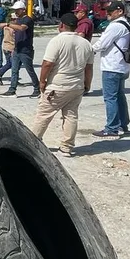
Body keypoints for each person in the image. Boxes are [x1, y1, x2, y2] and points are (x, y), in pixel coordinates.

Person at [30, 13, 95, 157]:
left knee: (43, 115)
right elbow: (89, 68)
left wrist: (42, 81)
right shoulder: (86, 44)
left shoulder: (57, 41)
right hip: (76, 86)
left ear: (61, 25)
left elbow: (47, 63)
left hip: (57, 86)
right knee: (71, 116)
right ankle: (66, 147)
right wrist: (87, 84)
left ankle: (32, 143)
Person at [92, 0, 130, 139]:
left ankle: (112, 128)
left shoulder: (115, 26)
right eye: (106, 11)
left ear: (119, 11)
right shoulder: (125, 24)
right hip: (121, 66)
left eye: (110, 12)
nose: (107, 14)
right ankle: (123, 124)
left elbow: (102, 44)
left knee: (110, 98)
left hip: (112, 66)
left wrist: (88, 50)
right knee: (119, 96)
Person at [0, 1, 39, 98]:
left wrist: (7, 24)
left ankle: (37, 89)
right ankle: (12, 90)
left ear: (23, 10)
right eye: (15, 10)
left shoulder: (27, 19)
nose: (16, 12)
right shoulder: (18, 20)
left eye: (17, 10)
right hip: (17, 49)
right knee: (14, 70)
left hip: (26, 50)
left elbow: (22, 29)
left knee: (29, 70)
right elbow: (16, 34)